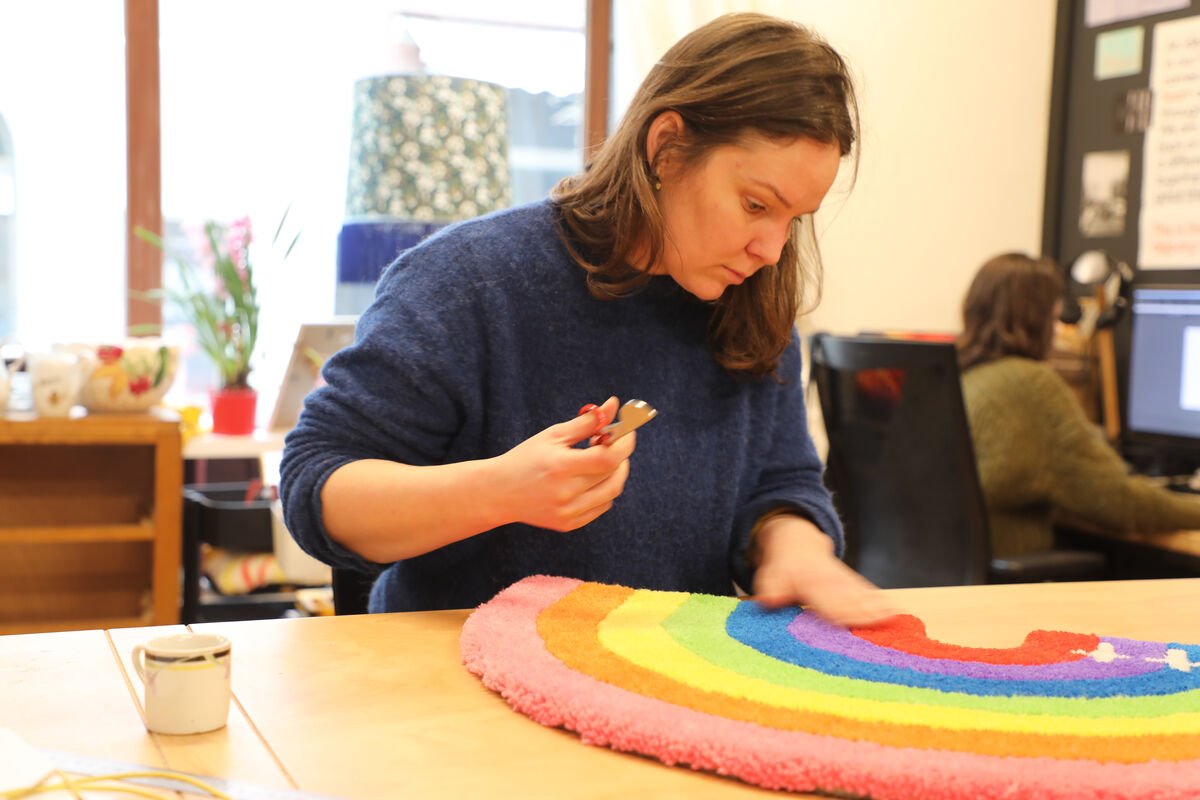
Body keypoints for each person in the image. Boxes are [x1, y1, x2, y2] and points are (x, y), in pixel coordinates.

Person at [279, 13, 896, 626]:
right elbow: (317, 486)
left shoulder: (753, 301)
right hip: (457, 684)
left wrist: (796, 547)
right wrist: (498, 491)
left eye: (795, 219)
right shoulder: (469, 284)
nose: (772, 250)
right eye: (756, 205)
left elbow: (779, 482)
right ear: (667, 147)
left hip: (672, 675)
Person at [957, 252, 1200, 556]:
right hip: (1003, 589)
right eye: (1056, 313)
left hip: (940, 579)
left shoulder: (957, 373)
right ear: (1041, 318)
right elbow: (1118, 500)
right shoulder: (1028, 384)